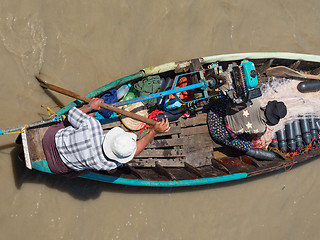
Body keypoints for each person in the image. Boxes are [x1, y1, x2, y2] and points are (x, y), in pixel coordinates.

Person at [42, 98, 170, 177]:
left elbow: (72, 113)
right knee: (85, 170)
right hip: (58, 167)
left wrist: (90, 107)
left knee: (72, 121)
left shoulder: (92, 126)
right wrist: (153, 132)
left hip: (49, 139)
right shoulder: (109, 164)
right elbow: (136, 150)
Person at [207, 97, 287, 160]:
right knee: (247, 145)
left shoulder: (254, 101)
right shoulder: (261, 128)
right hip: (218, 131)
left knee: (229, 99)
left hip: (215, 113)